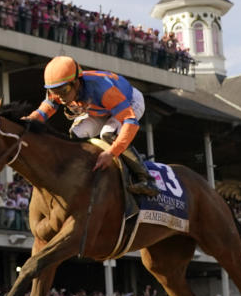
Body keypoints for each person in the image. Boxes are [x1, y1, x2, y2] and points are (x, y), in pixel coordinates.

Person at [27, 56, 158, 197]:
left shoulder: (103, 89)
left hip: (130, 102)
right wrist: (28, 120)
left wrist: (111, 153)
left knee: (108, 134)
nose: (60, 97)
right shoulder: (60, 88)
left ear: (76, 83)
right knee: (76, 134)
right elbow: (46, 109)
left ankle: (147, 179)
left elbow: (130, 122)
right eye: (54, 92)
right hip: (99, 109)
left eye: (63, 91)